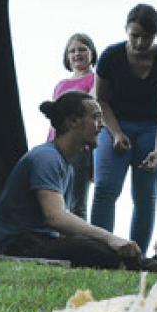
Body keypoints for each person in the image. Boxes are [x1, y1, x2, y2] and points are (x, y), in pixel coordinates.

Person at [0, 90, 145, 269]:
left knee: (100, 248)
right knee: (94, 250)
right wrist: (110, 238)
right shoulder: (46, 157)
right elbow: (55, 217)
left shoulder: (67, 165)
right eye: (96, 117)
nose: (101, 125)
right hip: (17, 246)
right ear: (73, 121)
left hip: (40, 241)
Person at [91, 4, 157, 255]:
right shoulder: (110, 57)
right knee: (105, 188)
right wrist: (116, 133)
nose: (140, 43)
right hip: (114, 124)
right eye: (135, 36)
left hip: (152, 129)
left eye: (147, 37)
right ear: (126, 30)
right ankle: (100, 252)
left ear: (156, 35)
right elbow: (101, 100)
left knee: (145, 195)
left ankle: (135, 256)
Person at [48, 33, 98, 219]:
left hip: (79, 147)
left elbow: (90, 107)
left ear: (92, 53)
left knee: (77, 202)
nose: (77, 54)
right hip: (56, 145)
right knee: (55, 197)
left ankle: (79, 236)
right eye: (72, 51)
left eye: (82, 49)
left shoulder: (95, 79)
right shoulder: (61, 85)